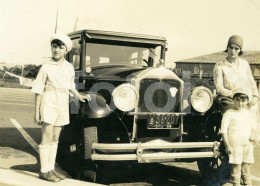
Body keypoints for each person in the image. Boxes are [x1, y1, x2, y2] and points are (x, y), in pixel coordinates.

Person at [32, 33, 91, 182]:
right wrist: (37, 111)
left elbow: (70, 85)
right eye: (54, 46)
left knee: (55, 138)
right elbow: (38, 89)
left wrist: (79, 96)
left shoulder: (69, 67)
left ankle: (51, 169)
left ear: (66, 50)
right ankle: (44, 170)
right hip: (49, 101)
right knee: (46, 137)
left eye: (60, 46)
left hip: (62, 102)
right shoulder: (46, 67)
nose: (56, 49)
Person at [213, 35, 259, 114]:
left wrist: (255, 96)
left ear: (240, 50)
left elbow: (252, 83)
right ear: (227, 48)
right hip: (229, 101)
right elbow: (219, 88)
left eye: (236, 48)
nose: (233, 51)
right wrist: (238, 96)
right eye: (231, 47)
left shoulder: (244, 64)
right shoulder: (219, 66)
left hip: (247, 100)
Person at [221, 88, 255, 186]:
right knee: (236, 167)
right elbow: (223, 131)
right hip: (235, 146)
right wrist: (227, 145)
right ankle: (236, 184)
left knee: (246, 167)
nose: (240, 103)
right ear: (233, 100)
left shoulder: (248, 114)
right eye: (238, 100)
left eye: (243, 101)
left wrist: (252, 135)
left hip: (247, 145)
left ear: (247, 101)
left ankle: (248, 183)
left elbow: (252, 128)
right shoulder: (229, 113)